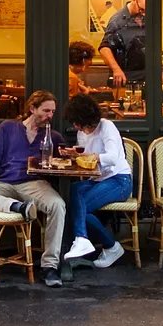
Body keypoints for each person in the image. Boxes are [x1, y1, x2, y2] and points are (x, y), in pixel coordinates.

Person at [0, 90, 68, 286]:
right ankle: (16, 207)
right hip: (4, 183)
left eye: (53, 112)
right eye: (46, 111)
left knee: (58, 205)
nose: (50, 116)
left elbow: (64, 162)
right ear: (32, 108)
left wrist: (64, 156)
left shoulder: (53, 136)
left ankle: (50, 266)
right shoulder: (8, 128)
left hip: (33, 184)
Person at [61, 94, 132, 269]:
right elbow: (87, 163)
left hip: (119, 180)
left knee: (80, 207)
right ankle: (83, 240)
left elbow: (113, 158)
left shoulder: (106, 126)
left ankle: (108, 246)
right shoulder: (81, 134)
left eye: (78, 122)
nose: (76, 126)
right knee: (75, 190)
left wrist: (87, 155)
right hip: (98, 179)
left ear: (87, 118)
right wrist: (75, 155)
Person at [98, 0, 147, 87]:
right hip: (125, 78)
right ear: (134, 0)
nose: (144, 14)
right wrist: (116, 69)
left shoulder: (146, 17)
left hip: (146, 76)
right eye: (141, 10)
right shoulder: (117, 21)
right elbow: (104, 48)